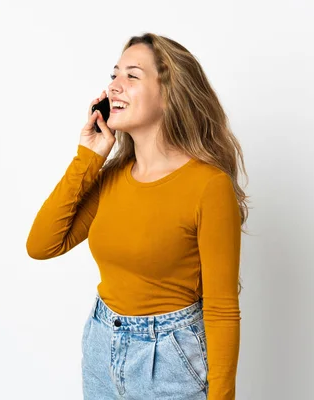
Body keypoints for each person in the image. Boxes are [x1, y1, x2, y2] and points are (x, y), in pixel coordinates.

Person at [26, 32, 249, 400]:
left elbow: (222, 308)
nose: (114, 86)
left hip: (170, 362)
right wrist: (89, 157)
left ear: (170, 94)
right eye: (114, 75)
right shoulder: (112, 176)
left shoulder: (208, 186)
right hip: (102, 345)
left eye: (132, 76)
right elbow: (41, 244)